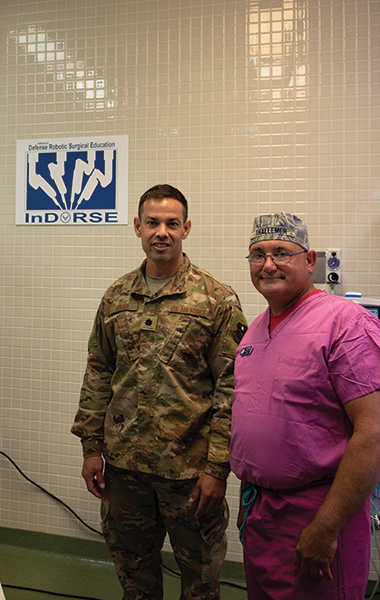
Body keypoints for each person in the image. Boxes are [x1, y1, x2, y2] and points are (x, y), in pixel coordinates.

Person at [71, 184, 249, 600]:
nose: (162, 232)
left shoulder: (216, 299)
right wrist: (90, 448)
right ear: (137, 227)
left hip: (189, 475)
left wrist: (217, 469)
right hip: (124, 470)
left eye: (172, 223)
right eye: (152, 223)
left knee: (200, 584)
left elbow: (232, 389)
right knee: (135, 582)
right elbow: (98, 372)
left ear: (186, 228)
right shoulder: (116, 297)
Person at [230, 212, 380, 600]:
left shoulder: (347, 323)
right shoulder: (257, 329)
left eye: (281, 253)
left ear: (310, 261)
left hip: (317, 513)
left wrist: (326, 528)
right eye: (257, 255)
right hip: (260, 513)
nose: (268, 264)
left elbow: (377, 434)